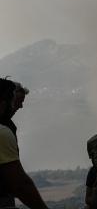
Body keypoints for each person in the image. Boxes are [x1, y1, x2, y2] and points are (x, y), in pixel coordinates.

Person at [0, 78, 48, 209]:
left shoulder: (9, 127)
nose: (19, 106)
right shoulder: (4, 132)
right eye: (14, 101)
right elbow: (20, 184)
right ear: (3, 103)